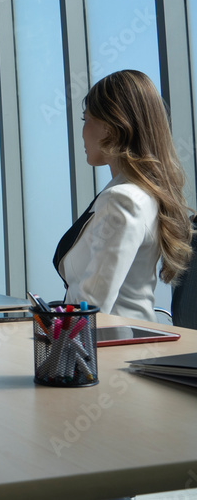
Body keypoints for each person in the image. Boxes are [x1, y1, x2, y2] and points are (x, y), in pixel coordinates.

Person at [53, 69, 194, 321]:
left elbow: (91, 307)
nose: (82, 132)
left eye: (86, 120)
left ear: (108, 127)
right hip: (119, 345)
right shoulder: (140, 193)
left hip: (111, 350)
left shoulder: (123, 199)